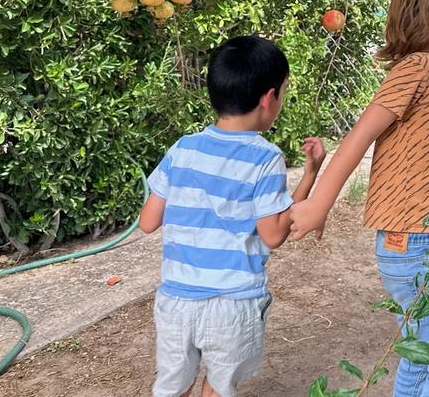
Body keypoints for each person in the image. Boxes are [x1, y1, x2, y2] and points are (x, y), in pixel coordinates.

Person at [289, 0, 429, 397]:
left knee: (419, 355)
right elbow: (358, 137)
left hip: (427, 241)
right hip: (415, 242)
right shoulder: (418, 68)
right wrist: (318, 204)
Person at [138, 34, 326, 397]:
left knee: (171, 386)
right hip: (232, 304)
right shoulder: (265, 157)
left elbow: (147, 222)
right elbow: (274, 232)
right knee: (219, 386)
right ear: (269, 98)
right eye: (283, 92)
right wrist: (311, 175)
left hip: (175, 301)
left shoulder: (183, 148)